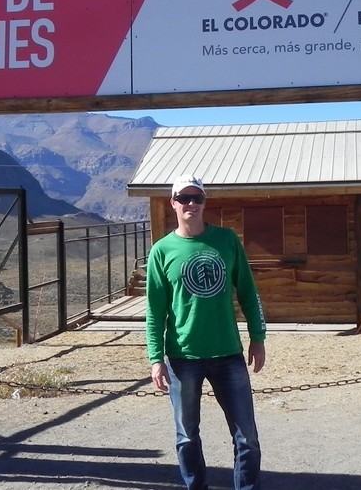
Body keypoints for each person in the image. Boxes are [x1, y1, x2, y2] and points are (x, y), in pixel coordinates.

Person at [146, 174, 267, 490]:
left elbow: (248, 291)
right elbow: (155, 310)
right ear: (173, 203)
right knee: (187, 437)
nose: (191, 203)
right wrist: (155, 358)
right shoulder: (162, 251)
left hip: (228, 353)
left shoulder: (226, 240)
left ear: (204, 202)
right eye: (184, 198)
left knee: (247, 437)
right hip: (183, 357)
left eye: (197, 198)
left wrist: (258, 337)